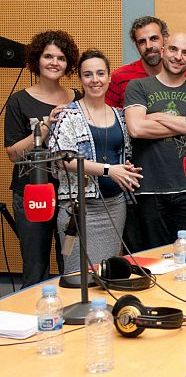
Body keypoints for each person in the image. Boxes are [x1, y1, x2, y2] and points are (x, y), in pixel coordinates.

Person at [52, 50, 142, 272]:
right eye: (88, 74)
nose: (95, 80)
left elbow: (122, 155)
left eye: (101, 73)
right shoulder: (68, 115)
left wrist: (126, 169)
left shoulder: (121, 116)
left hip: (115, 206)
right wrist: (108, 170)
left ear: (109, 77)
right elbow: (62, 158)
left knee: (106, 272)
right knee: (77, 275)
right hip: (79, 209)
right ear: (81, 79)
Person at [124, 32, 186, 250]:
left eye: (185, 53)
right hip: (148, 191)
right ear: (163, 50)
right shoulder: (138, 87)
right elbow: (136, 128)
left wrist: (157, 116)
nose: (178, 57)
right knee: (152, 261)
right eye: (173, 50)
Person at [4, 31, 80, 286]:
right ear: (37, 59)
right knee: (36, 267)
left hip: (69, 193)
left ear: (68, 63)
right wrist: (45, 127)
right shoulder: (19, 101)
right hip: (32, 193)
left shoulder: (77, 98)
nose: (54, 62)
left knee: (70, 263)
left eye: (60, 58)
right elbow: (14, 154)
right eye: (48, 56)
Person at [106, 16, 186, 108]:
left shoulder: (182, 76)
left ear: (166, 39)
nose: (148, 46)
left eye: (154, 39)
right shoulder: (120, 77)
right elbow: (106, 115)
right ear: (136, 46)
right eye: (142, 41)